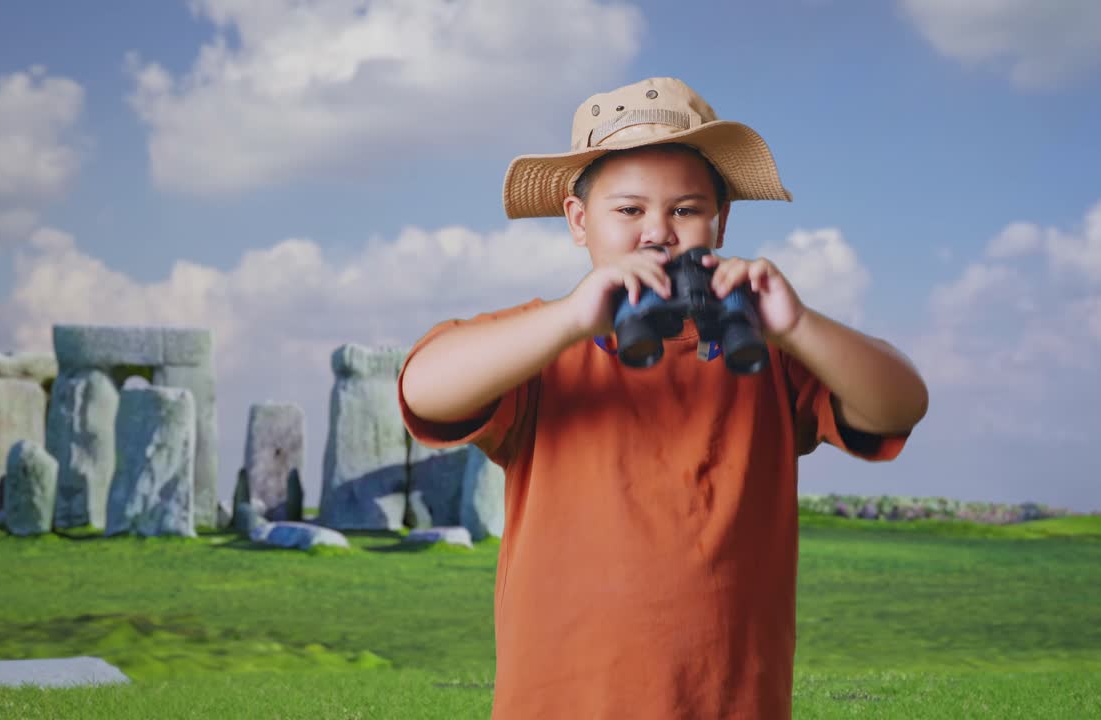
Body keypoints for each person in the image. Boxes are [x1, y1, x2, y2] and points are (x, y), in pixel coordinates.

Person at [398, 76, 928, 719]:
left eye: (685, 209)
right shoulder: (541, 346)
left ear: (721, 221)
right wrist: (571, 319)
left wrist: (796, 326)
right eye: (628, 210)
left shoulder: (771, 353)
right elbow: (424, 390)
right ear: (577, 220)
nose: (657, 233)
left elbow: (901, 404)